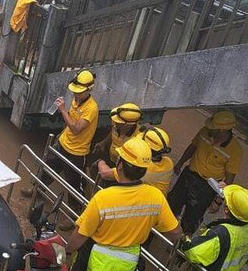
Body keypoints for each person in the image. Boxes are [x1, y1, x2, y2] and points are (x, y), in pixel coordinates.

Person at [66, 136, 181, 271]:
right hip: (129, 259)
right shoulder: (155, 196)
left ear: (119, 165)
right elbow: (175, 232)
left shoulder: (104, 198)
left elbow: (80, 235)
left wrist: (68, 251)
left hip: (97, 256)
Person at [21, 70, 99, 230]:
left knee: (74, 185)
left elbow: (77, 128)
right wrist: (61, 133)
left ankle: (74, 215)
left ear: (89, 90)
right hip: (62, 144)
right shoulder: (76, 101)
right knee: (47, 168)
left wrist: (63, 110)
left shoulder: (91, 108)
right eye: (75, 92)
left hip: (77, 153)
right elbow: (70, 122)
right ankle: (36, 188)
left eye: (79, 92)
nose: (75, 95)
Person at [168, 110, 242, 235]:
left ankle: (180, 244)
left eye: (213, 127)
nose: (209, 128)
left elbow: (229, 178)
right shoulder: (204, 132)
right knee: (171, 205)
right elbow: (192, 147)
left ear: (222, 130)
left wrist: (218, 200)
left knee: (192, 218)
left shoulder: (235, 150)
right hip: (189, 175)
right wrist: (180, 163)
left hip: (206, 187)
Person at [96, 126, 174, 194]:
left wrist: (100, 162)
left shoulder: (141, 166)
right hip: (155, 202)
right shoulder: (169, 163)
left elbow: (105, 174)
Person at [91, 103, 142, 168]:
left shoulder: (138, 138)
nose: (114, 124)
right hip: (111, 159)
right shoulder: (116, 123)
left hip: (123, 167)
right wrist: (103, 143)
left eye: (118, 123)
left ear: (128, 125)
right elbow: (112, 132)